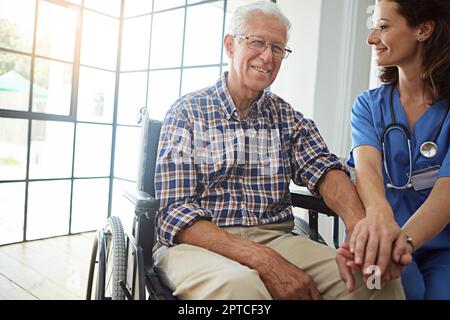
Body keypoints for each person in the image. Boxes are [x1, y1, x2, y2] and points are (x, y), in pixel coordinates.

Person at [153, 1, 404, 300]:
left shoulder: (288, 118)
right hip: (197, 244)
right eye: (257, 42)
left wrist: (358, 227)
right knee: (242, 288)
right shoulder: (186, 113)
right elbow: (175, 213)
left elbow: (325, 170)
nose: (267, 56)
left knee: (375, 281)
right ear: (231, 46)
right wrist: (264, 260)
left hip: (276, 236)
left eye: (277, 48)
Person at [344, 0, 450, 300]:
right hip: (381, 239)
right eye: (373, 27)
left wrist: (401, 242)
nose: (371, 38)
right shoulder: (368, 106)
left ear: (423, 30)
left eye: (383, 26)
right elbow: (368, 171)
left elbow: (446, 194)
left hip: (440, 245)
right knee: (398, 289)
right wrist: (381, 227)